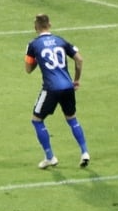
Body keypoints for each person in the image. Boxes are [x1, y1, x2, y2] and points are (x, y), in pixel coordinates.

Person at [24, 13, 90, 169]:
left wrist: (37, 60)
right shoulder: (61, 41)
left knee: (37, 120)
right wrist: (76, 80)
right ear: (50, 25)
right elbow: (79, 59)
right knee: (72, 119)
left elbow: (28, 69)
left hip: (51, 88)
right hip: (68, 86)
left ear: (36, 27)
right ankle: (85, 152)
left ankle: (50, 157)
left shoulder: (33, 45)